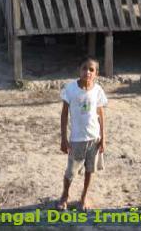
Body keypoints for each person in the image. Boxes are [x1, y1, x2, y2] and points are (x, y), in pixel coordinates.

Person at [58, 57, 107, 211]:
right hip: (77, 139)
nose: (87, 72)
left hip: (94, 138)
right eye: (84, 68)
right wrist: (63, 139)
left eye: (91, 69)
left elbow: (100, 114)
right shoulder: (70, 89)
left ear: (96, 73)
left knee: (89, 170)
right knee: (71, 171)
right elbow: (64, 115)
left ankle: (84, 196)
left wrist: (104, 138)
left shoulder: (98, 90)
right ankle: (65, 195)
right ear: (79, 70)